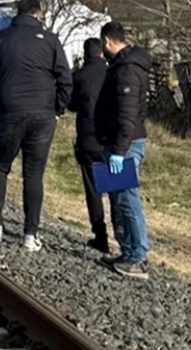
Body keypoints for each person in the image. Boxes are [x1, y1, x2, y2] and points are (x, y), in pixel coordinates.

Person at [0, 0, 72, 251]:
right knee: (33, 174)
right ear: (39, 15)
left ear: (16, 14)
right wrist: (57, 109)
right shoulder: (51, 41)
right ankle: (30, 234)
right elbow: (65, 79)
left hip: (8, 112)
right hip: (42, 116)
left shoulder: (0, 39)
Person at [94, 21, 152, 279]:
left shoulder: (126, 71)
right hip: (116, 142)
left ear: (107, 41)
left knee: (128, 199)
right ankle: (128, 252)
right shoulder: (122, 67)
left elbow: (127, 116)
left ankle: (138, 257)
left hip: (124, 145)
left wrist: (118, 150)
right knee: (117, 199)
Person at [68, 37, 115, 254]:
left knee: (93, 190)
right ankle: (124, 236)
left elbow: (71, 105)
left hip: (88, 140)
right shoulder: (113, 73)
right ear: (101, 52)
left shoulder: (78, 76)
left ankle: (100, 234)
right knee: (117, 189)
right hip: (113, 142)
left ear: (85, 54)